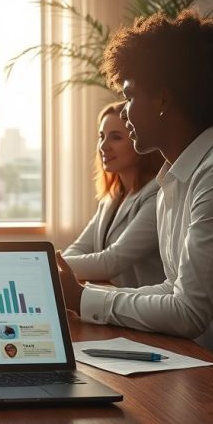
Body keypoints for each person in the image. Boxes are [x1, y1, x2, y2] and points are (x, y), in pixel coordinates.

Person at [56, 9, 213, 382]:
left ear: (161, 99)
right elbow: (174, 288)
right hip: (205, 371)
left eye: (129, 96)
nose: (123, 114)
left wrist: (83, 299)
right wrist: (85, 297)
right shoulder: (176, 179)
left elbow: (189, 311)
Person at [63, 101, 166, 287]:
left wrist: (48, 263)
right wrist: (57, 265)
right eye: (101, 136)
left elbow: (112, 261)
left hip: (148, 311)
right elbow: (80, 248)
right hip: (113, 307)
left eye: (116, 137)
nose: (103, 146)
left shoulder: (157, 194)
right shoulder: (112, 197)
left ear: (139, 140)